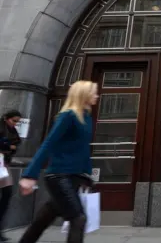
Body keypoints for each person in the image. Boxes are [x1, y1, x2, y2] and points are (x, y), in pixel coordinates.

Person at [18, 80, 98, 243]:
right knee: (78, 218)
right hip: (59, 176)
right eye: (93, 92)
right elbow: (48, 144)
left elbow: (82, 149)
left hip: (74, 176)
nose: (97, 96)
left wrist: (86, 175)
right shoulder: (68, 116)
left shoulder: (86, 118)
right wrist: (29, 175)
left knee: (44, 218)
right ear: (83, 94)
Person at [0, 110, 22, 242]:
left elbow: (16, 144)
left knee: (7, 193)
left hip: (4, 164)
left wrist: (9, 146)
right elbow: (10, 145)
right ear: (6, 118)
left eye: (17, 122)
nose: (15, 124)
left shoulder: (12, 131)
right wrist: (8, 145)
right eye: (13, 121)